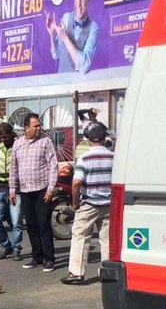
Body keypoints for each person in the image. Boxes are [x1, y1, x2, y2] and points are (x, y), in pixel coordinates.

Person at [63, 121, 114, 285]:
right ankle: (106, 272)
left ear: (87, 139)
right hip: (109, 204)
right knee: (106, 240)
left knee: (80, 236)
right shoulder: (113, 157)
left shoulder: (84, 158)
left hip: (89, 205)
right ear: (104, 137)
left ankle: (76, 273)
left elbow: (76, 183)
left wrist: (75, 203)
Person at [9, 113, 58, 272]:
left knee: (44, 224)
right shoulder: (17, 144)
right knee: (31, 225)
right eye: (35, 126)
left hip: (43, 189)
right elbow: (13, 168)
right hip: (25, 190)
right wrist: (12, 189)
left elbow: (53, 166)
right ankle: (37, 256)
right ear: (26, 128)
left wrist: (51, 188)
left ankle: (49, 259)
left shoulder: (46, 142)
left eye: (39, 125)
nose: (39, 128)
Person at [44, 0, 98, 75]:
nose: (78, 3)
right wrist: (52, 36)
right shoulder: (66, 18)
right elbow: (55, 54)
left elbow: (84, 66)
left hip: (79, 87)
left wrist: (65, 38)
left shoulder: (93, 28)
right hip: (62, 85)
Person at [0, 122, 23, 260]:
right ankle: (5, 245)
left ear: (11, 134)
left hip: (16, 189)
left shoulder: (19, 147)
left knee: (16, 222)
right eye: (1, 137)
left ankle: (16, 249)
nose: (3, 139)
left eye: (5, 136)